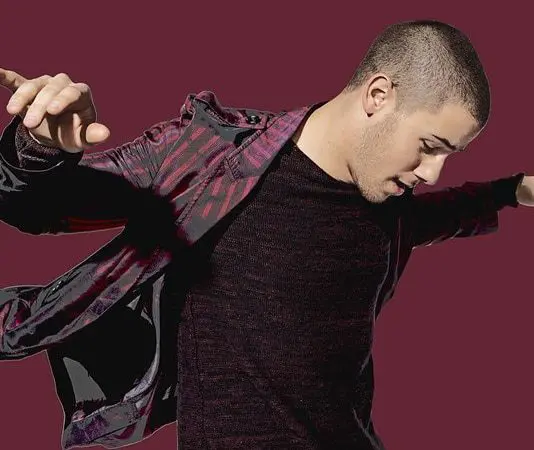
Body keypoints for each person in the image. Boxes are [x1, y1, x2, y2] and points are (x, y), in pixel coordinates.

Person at [0, 19, 532, 450]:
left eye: (449, 155)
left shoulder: (388, 205)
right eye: (430, 146)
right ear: (378, 95)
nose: (432, 172)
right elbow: (40, 207)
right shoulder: (212, 159)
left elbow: (442, 214)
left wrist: (513, 190)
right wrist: (40, 148)